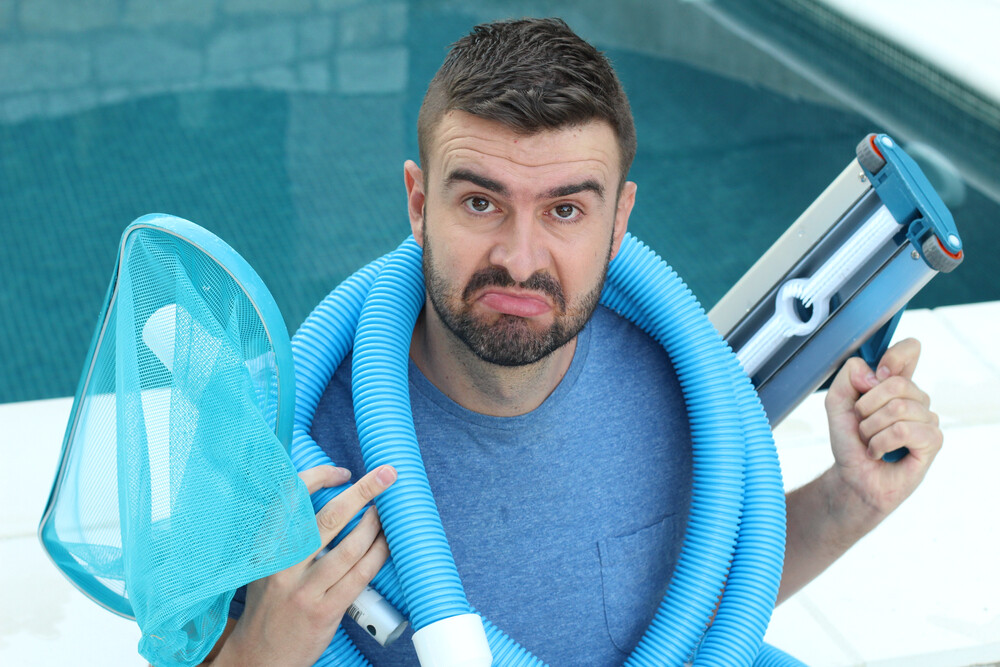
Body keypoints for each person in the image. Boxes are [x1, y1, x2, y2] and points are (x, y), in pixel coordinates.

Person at [203, 17, 942, 666]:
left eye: (563, 210)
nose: (520, 258)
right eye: (482, 201)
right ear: (419, 202)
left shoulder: (681, 383)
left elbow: (703, 614)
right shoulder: (279, 437)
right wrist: (264, 653)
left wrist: (851, 498)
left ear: (619, 220)